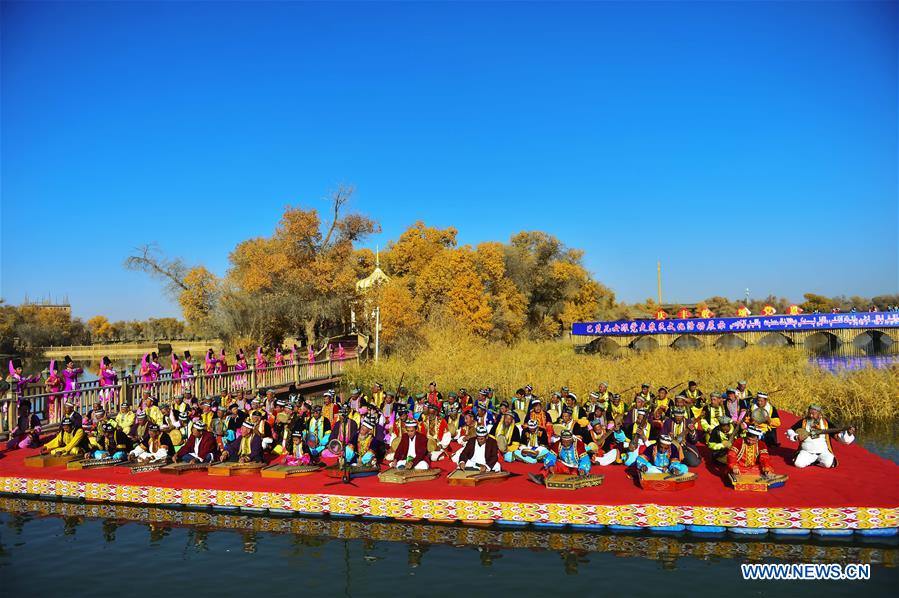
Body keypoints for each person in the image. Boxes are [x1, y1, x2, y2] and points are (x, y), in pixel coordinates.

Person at [786, 404, 856, 469]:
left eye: (813, 414)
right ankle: (810, 460)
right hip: (806, 451)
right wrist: (796, 437)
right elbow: (790, 430)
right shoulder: (803, 422)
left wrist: (848, 434)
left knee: (829, 464)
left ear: (819, 414)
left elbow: (838, 436)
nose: (811, 415)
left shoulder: (826, 423)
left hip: (823, 452)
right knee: (798, 464)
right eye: (809, 413)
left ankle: (816, 461)